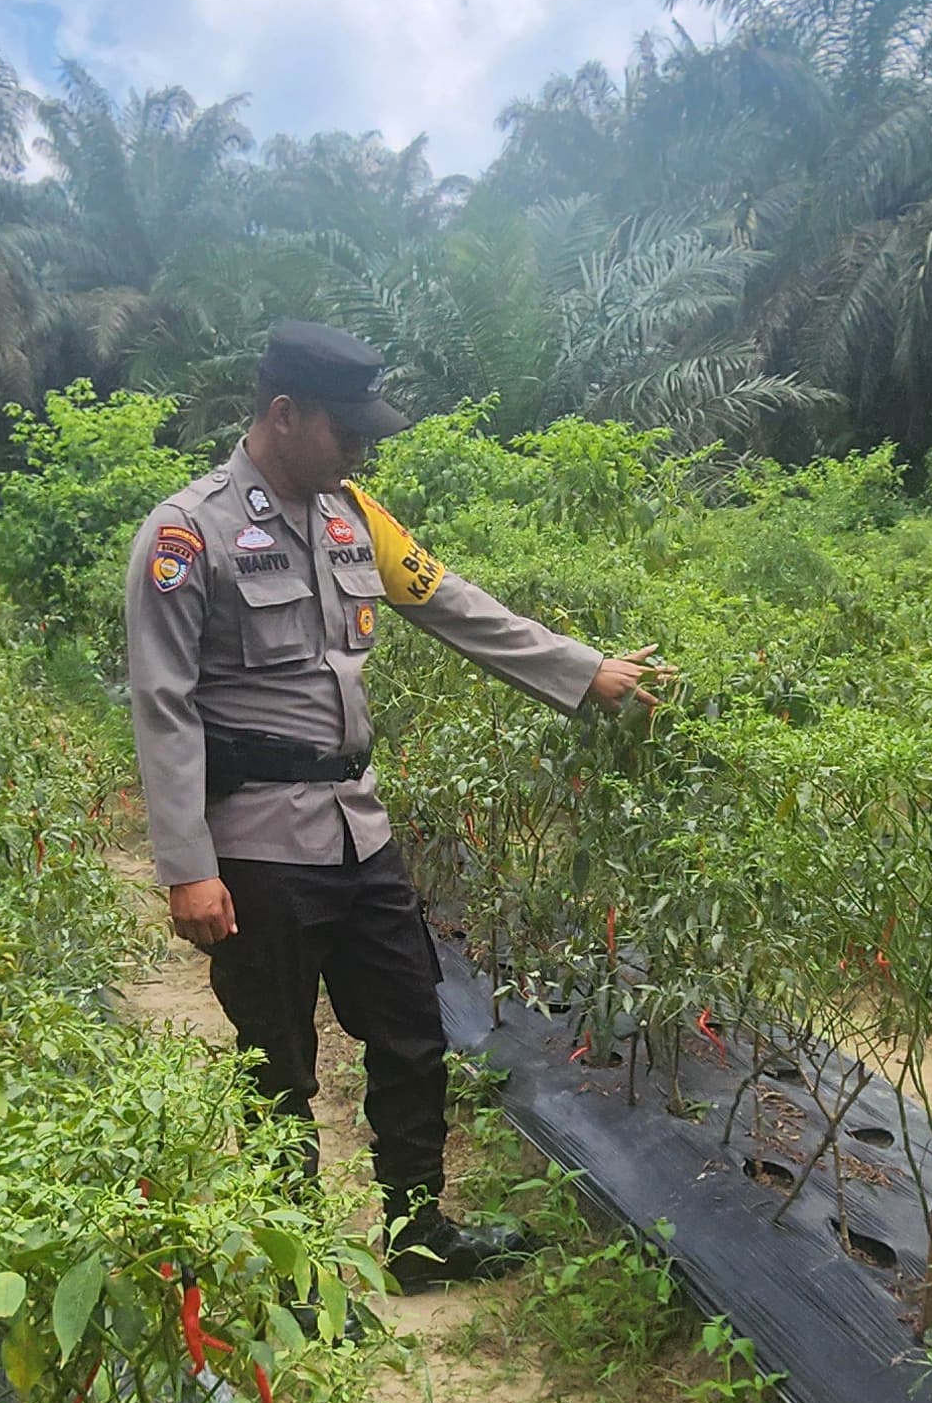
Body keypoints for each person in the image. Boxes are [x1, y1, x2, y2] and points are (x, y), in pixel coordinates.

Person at [125, 321, 666, 1286]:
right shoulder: (187, 534)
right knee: (277, 1064)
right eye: (348, 432)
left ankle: (419, 1241)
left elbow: (451, 601)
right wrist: (188, 869)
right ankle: (292, 1272)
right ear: (284, 415)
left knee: (413, 1035)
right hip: (255, 843)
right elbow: (162, 704)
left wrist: (583, 671)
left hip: (357, 830)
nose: (362, 451)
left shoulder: (353, 517)